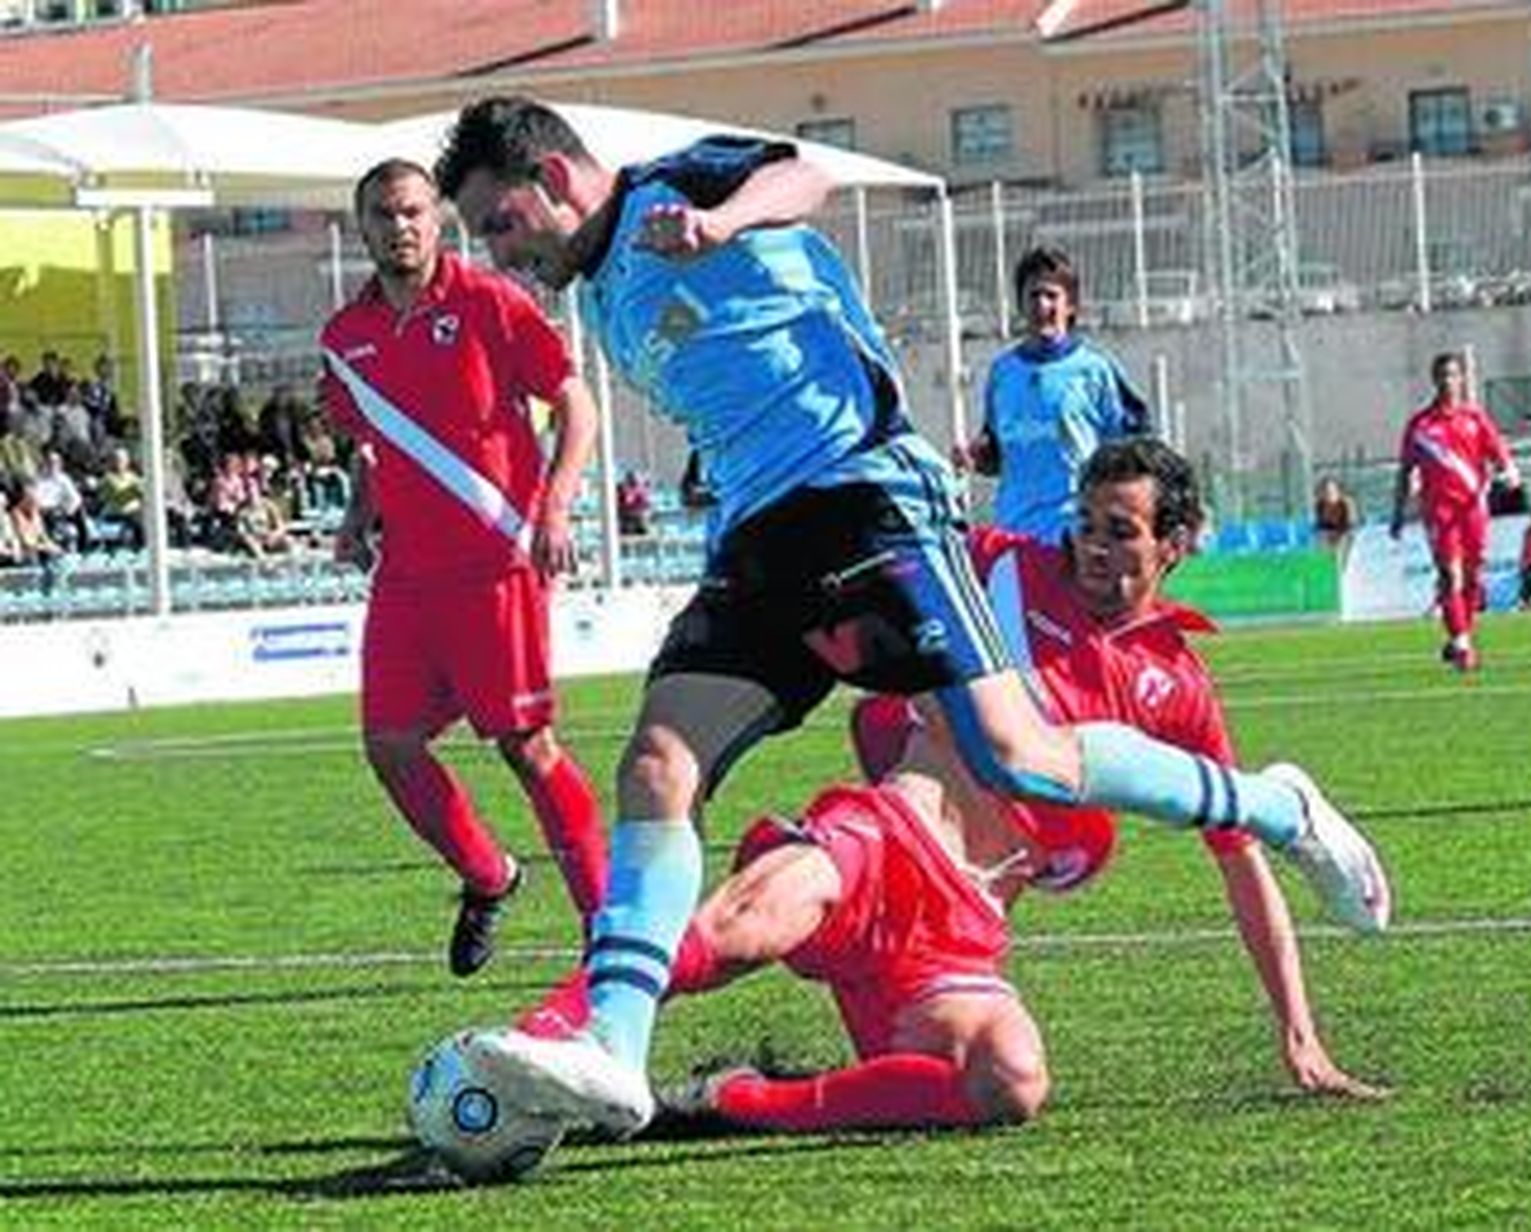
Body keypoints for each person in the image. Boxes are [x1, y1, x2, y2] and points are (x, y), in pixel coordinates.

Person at [433, 98, 1388, 1134]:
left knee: (1025, 757)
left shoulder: (676, 186)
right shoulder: (606, 290)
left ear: (558, 177)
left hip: (867, 499)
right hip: (759, 545)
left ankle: (1279, 806)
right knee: (657, 763)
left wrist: (724, 221)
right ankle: (612, 1047)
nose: (501, 251)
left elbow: (807, 175)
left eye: (499, 222)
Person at [510, 439, 1386, 1136]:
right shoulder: (997, 564)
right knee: (736, 929)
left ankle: (725, 1102)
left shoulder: (1180, 690)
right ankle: (542, 1042)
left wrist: (1298, 1031)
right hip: (885, 834)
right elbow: (873, 553)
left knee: (1010, 1082)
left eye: (1121, 530)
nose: (1092, 544)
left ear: (1177, 544)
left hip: (960, 929)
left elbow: (1239, 863)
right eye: (1085, 522)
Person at [318, 158, 608, 977]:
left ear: (436, 220)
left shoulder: (490, 303)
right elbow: (378, 442)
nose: (398, 226)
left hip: (496, 562)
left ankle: (606, 928)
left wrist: (556, 506)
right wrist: (354, 518)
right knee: (391, 745)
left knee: (527, 746)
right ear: (362, 226)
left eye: (412, 211)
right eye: (382, 214)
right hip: (407, 578)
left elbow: (575, 404)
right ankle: (489, 876)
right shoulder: (345, 339)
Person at [953, 246, 1146, 546]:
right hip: (1014, 536)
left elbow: (1136, 447)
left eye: (1051, 295)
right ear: (1020, 304)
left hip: (1077, 538)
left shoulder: (1094, 369)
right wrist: (975, 456)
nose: (1042, 305)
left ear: (1070, 306)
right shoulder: (1003, 372)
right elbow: (998, 455)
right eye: (1033, 296)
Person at [1389, 352, 1520, 672]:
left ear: (1462, 379)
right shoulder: (1420, 426)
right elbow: (1405, 471)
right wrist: (1397, 512)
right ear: (1434, 380)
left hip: (1473, 508)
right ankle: (1462, 644)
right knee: (1451, 576)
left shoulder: (1475, 419)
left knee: (1474, 577)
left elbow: (1499, 453)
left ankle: (1460, 635)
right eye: (1442, 375)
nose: (1448, 381)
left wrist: (1509, 472)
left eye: (1453, 375)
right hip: (1439, 512)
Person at [1313, 476, 1357, 553]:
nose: (1329, 496)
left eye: (1332, 492)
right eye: (1326, 493)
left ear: (1338, 492)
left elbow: (1351, 524)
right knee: (1320, 538)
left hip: (1345, 530)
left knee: (1346, 539)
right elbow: (1320, 525)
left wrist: (1338, 534)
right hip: (1329, 530)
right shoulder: (1320, 505)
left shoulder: (1346, 503)